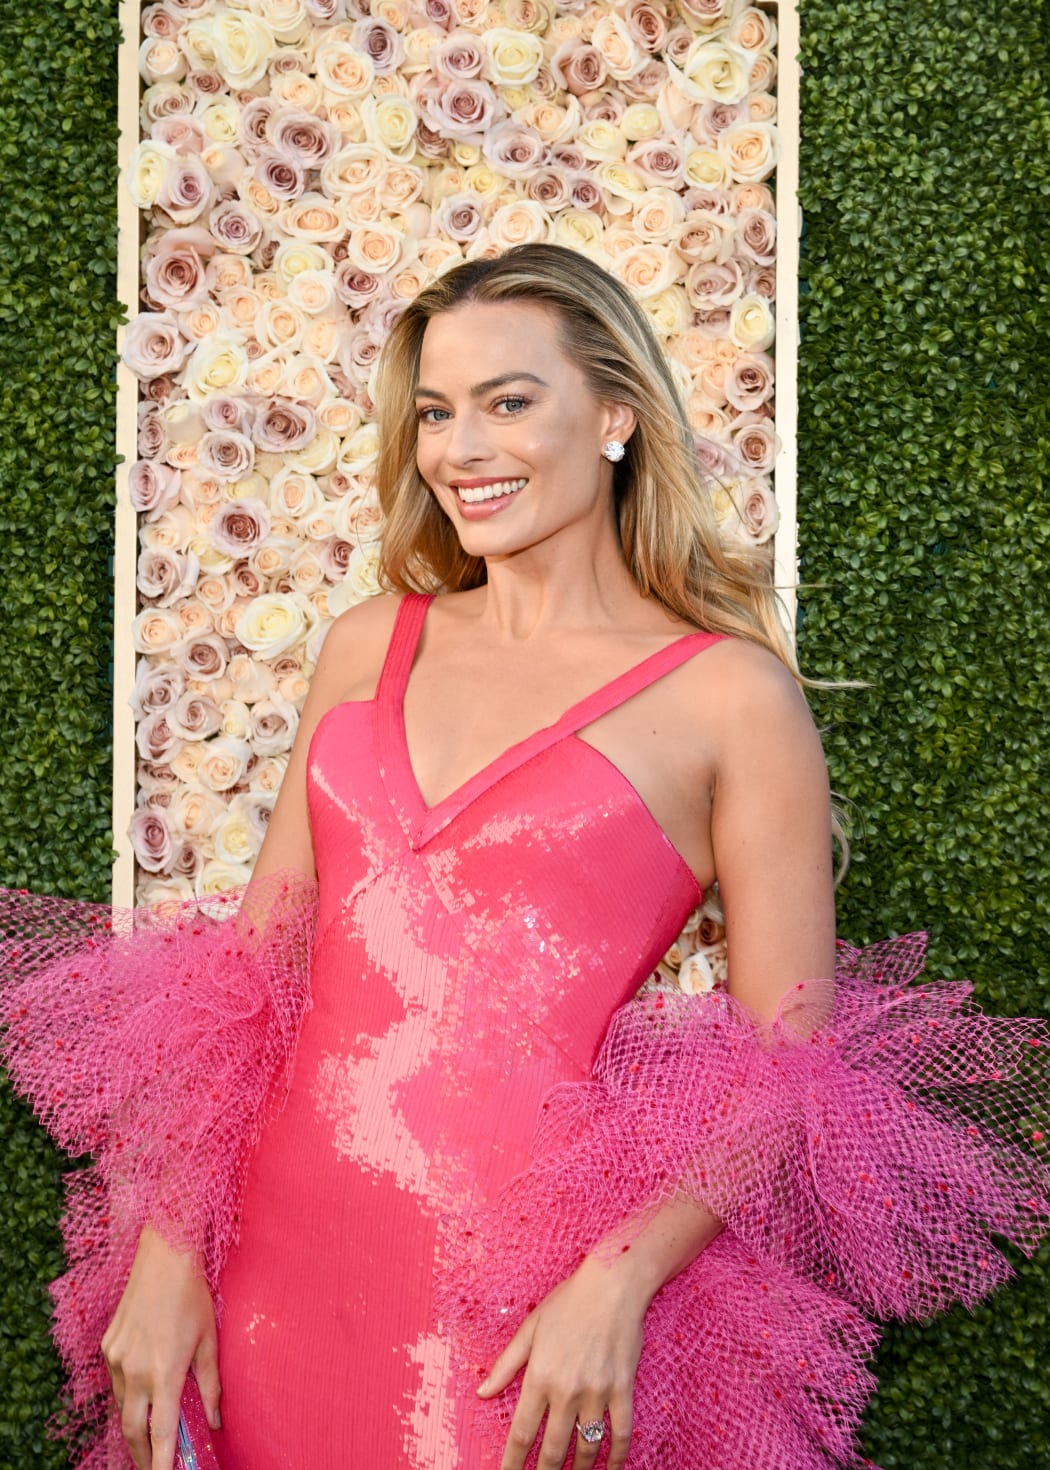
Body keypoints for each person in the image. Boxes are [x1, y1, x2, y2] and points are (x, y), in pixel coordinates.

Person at [2, 244, 1047, 1470]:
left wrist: (616, 1286)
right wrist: (169, 1255)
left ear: (615, 414)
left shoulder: (731, 699)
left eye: (509, 401)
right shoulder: (366, 644)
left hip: (520, 1313)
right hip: (262, 1274)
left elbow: (791, 1070)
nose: (460, 448)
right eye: (437, 413)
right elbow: (251, 981)